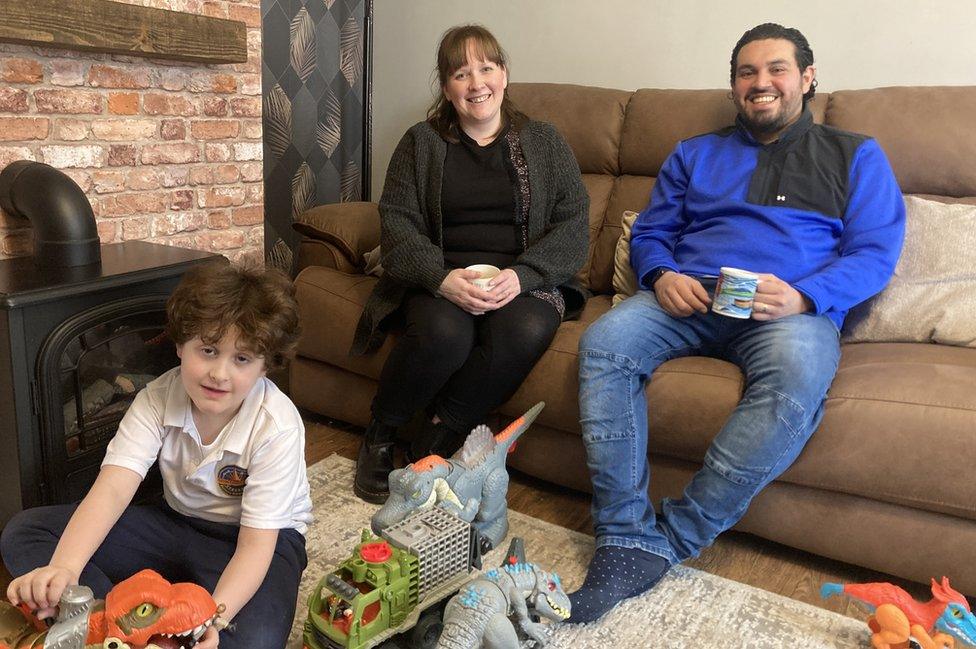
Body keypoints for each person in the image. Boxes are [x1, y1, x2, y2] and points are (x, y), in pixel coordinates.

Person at [568, 23, 906, 623]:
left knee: (797, 379)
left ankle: (671, 539)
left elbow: (875, 253)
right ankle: (621, 531)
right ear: (733, 88)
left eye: (776, 69)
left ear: (807, 77)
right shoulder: (694, 151)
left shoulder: (857, 154)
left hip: (786, 313)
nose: (761, 83)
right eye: (746, 73)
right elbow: (652, 231)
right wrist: (660, 274)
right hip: (692, 298)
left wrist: (805, 296)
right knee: (605, 343)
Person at [1, 261, 310, 648]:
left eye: (242, 359)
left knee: (256, 640)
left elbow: (255, 547)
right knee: (27, 531)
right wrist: (64, 568)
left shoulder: (276, 425)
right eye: (208, 350)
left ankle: (163, 613)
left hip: (257, 540)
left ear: (266, 366)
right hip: (175, 521)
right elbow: (112, 489)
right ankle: (113, 621)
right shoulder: (156, 399)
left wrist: (208, 619)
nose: (220, 373)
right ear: (181, 346)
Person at [352, 24, 589, 503]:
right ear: (446, 87)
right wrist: (440, 280)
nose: (476, 83)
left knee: (522, 331)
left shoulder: (543, 141)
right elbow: (397, 224)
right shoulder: (421, 143)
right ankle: (380, 432)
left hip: (524, 279)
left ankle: (437, 433)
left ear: (504, 75)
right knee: (445, 334)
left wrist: (522, 276)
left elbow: (574, 223)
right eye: (461, 73)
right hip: (441, 275)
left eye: (487, 68)